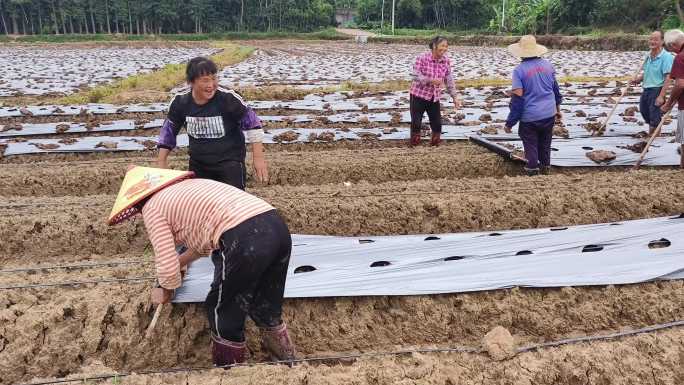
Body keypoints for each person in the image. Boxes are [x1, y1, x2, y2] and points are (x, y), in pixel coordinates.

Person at [108, 166, 295, 366]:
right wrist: (181, 263)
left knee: (221, 309)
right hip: (277, 228)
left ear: (137, 202)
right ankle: (288, 364)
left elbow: (166, 261)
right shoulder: (188, 188)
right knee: (266, 305)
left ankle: (228, 371)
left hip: (242, 236)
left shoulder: (152, 208)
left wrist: (165, 287)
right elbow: (202, 244)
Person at [156, 57, 268, 190]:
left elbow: (253, 125)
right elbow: (168, 132)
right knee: (201, 205)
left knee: (231, 204)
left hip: (230, 163)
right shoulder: (180, 103)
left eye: (214, 79)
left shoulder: (228, 99)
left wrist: (258, 159)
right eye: (205, 80)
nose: (211, 85)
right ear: (191, 82)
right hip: (199, 164)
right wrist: (161, 161)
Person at [504, 35, 563, 176]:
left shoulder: (519, 70)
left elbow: (518, 100)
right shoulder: (548, 66)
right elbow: (555, 91)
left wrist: (510, 123)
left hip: (530, 117)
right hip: (549, 114)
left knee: (530, 143)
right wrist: (557, 110)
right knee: (545, 142)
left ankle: (532, 170)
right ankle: (545, 168)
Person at [409, 36, 462, 147]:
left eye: (446, 46)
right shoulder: (422, 58)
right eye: (442, 45)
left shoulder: (446, 61)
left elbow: (449, 79)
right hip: (418, 95)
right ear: (434, 46)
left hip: (434, 97)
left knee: (437, 124)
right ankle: (414, 146)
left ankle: (434, 146)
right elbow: (415, 75)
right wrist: (430, 80)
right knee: (416, 122)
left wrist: (455, 97)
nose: (445, 48)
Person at [631, 31, 674, 135]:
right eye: (651, 39)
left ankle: (654, 137)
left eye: (655, 39)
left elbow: (668, 78)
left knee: (654, 116)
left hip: (657, 89)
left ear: (662, 41)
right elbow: (646, 72)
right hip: (646, 89)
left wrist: (661, 96)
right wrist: (638, 79)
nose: (652, 41)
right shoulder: (648, 56)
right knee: (644, 111)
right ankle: (654, 133)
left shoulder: (666, 57)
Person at [661, 29, 684, 169]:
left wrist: (668, 104)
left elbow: (680, 84)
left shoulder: (681, 57)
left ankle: (682, 167)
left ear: (673, 45)